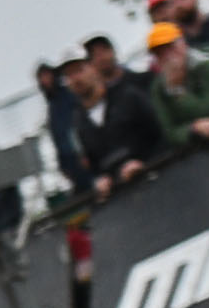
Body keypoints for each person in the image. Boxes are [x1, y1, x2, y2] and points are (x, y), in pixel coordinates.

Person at [59, 51, 162, 202]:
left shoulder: (128, 96)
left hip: (159, 181)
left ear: (93, 68)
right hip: (122, 201)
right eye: (68, 75)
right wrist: (99, 180)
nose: (75, 79)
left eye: (79, 70)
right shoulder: (78, 123)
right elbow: (92, 165)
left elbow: (161, 133)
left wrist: (144, 164)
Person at [144, 22, 209, 149]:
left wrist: (179, 92)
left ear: (183, 43)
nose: (167, 56)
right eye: (159, 53)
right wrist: (193, 129)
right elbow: (169, 132)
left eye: (170, 47)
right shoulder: (159, 88)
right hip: (201, 150)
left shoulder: (206, 64)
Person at [36, 60, 93, 195]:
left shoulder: (68, 95)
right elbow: (57, 137)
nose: (45, 80)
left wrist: (83, 152)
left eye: (47, 75)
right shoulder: (52, 106)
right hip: (69, 160)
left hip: (82, 154)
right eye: (42, 77)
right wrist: (62, 164)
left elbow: (76, 126)